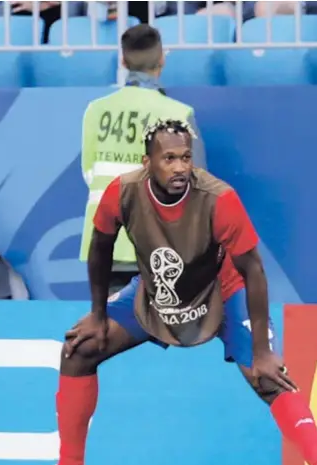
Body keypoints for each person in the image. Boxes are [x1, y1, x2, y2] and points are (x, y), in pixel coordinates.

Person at [12, 119, 317, 465]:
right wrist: (99, 316)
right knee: (78, 349)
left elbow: (254, 269)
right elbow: (100, 247)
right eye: (168, 158)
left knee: (267, 376)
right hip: (157, 293)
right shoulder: (123, 192)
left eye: (185, 157)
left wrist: (263, 351)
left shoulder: (219, 198)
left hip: (223, 290)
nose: (180, 167)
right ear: (147, 161)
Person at [80, 23, 206, 291]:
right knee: (163, 327)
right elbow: (195, 183)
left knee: (109, 327)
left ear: (123, 61)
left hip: (106, 240)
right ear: (162, 59)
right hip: (159, 241)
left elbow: (89, 173)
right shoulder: (179, 113)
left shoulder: (95, 110)